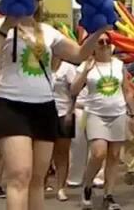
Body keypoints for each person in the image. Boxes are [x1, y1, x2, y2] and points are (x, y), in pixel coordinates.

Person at [0, 0, 105, 210]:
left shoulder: (47, 31)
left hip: (44, 107)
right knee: (19, 175)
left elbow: (77, 54)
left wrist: (98, 33)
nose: (30, 0)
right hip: (11, 106)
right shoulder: (1, 26)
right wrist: (6, 25)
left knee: (37, 179)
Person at [70, 34, 134, 210]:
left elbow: (127, 91)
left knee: (114, 156)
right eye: (101, 42)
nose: (105, 45)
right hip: (95, 114)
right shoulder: (86, 65)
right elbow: (74, 89)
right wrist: (85, 71)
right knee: (99, 154)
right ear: (93, 45)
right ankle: (87, 185)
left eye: (108, 42)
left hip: (118, 113)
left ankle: (109, 195)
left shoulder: (118, 65)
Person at [49, 58, 78, 201]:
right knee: (44, 152)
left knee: (62, 153)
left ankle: (61, 188)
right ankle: (41, 184)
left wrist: (69, 113)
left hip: (63, 112)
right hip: (43, 113)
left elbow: (74, 92)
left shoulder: (68, 68)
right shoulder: (39, 63)